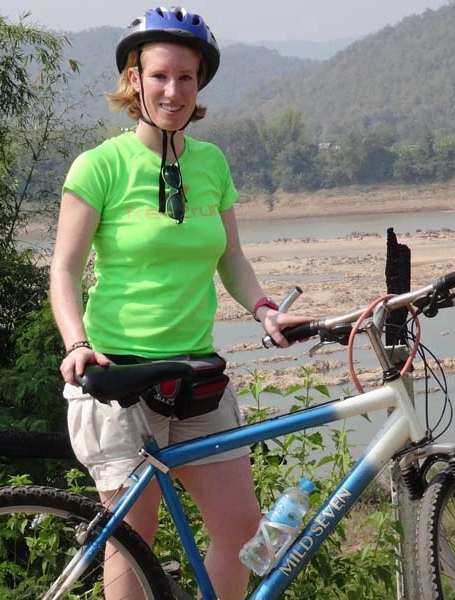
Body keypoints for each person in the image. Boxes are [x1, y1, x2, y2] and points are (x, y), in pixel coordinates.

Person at [49, 7, 311, 599]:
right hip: (119, 375)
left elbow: (231, 259)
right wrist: (77, 344)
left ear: (201, 85)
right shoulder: (101, 166)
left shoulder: (211, 163)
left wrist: (265, 309)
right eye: (160, 76)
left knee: (242, 529)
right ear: (133, 80)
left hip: (196, 376)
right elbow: (63, 270)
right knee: (133, 545)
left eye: (186, 78)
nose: (174, 91)